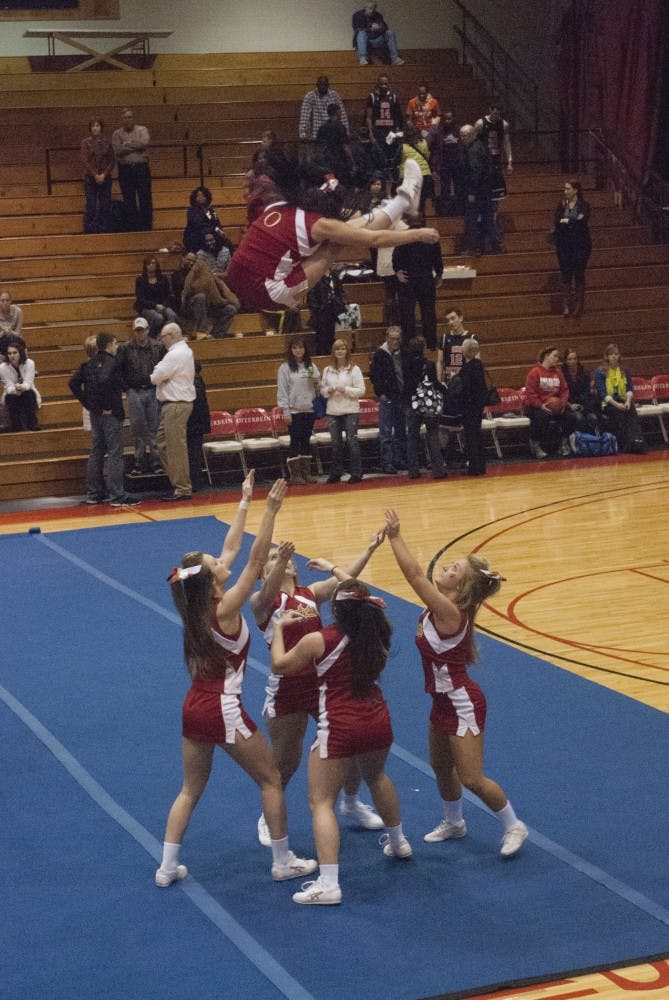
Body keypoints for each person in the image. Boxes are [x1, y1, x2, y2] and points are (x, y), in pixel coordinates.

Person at [156, 475, 318, 889]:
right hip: (223, 707)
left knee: (190, 789)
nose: (222, 559)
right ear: (213, 580)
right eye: (215, 564)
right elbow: (251, 560)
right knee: (271, 779)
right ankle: (282, 861)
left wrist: (244, 501)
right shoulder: (226, 607)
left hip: (193, 706)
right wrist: (270, 512)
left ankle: (167, 866)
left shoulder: (195, 607)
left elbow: (231, 549)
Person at [383, 508, 528, 858]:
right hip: (442, 701)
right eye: (450, 565)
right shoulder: (440, 608)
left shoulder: (449, 613)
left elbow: (417, 576)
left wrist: (396, 537)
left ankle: (513, 825)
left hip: (463, 701)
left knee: (472, 778)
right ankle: (454, 822)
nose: (445, 568)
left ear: (460, 587)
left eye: (453, 570)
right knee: (440, 767)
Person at [271, 577, 411, 905]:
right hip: (378, 718)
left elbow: (279, 665)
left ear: (335, 609)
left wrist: (278, 629)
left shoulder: (319, 640)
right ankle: (400, 841)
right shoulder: (378, 636)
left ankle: (329, 883)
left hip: (340, 724)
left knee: (320, 803)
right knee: (376, 777)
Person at [251, 534, 387, 848]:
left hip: (323, 684)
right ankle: (267, 816)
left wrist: (368, 548)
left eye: (283, 558)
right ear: (263, 575)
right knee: (286, 761)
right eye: (272, 560)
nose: (280, 561)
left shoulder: (310, 593)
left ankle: (350, 803)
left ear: (295, 569)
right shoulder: (262, 602)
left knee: (348, 747)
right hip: (286, 688)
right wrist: (278, 562)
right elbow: (269, 588)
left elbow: (347, 586)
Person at [225, 145, 436, 314]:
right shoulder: (319, 224)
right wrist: (416, 234)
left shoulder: (269, 205)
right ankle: (403, 202)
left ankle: (401, 203)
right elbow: (374, 239)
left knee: (344, 231)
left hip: (234, 281)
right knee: (336, 243)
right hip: (269, 294)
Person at [69, 332, 139, 507]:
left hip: (95, 414)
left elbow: (73, 383)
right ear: (108, 345)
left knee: (96, 451)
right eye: (115, 344)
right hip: (110, 413)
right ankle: (116, 494)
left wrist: (90, 404)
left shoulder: (88, 364)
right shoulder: (112, 364)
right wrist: (105, 404)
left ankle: (94, 493)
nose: (116, 347)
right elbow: (105, 380)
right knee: (115, 453)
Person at [150, 323, 196, 501]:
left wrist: (157, 372)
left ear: (170, 336)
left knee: (175, 447)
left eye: (163, 338)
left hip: (176, 404)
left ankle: (183, 487)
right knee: (163, 443)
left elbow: (155, 377)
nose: (162, 341)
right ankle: (178, 481)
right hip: (175, 404)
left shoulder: (175, 354)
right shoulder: (184, 351)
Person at [116, 317, 163, 476]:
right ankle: (139, 462)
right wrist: (127, 388)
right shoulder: (125, 348)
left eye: (142, 330)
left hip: (152, 389)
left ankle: (157, 462)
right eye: (137, 331)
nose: (140, 333)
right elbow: (118, 370)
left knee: (154, 427)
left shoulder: (158, 346)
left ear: (148, 330)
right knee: (138, 429)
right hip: (134, 391)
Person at [392, 211, 443, 349]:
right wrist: (439, 274)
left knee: (408, 316)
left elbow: (395, 258)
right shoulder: (431, 236)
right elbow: (437, 259)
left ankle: (409, 347)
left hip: (408, 280)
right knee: (428, 315)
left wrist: (397, 272)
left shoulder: (405, 236)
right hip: (425, 279)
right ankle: (431, 346)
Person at [277, 335, 321, 485]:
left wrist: (318, 386)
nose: (298, 350)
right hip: (294, 411)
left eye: (301, 347)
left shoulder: (311, 366)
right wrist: (285, 411)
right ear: (290, 350)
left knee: (306, 440)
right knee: (295, 441)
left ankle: (306, 473)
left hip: (309, 410)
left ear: (305, 349)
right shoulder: (284, 368)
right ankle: (295, 476)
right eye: (295, 347)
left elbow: (318, 387)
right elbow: (282, 391)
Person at [320, 338, 365, 484]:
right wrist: (329, 390)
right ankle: (336, 473)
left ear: (347, 351)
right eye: (337, 349)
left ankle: (356, 473)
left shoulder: (354, 369)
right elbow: (322, 390)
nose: (340, 351)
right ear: (333, 352)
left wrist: (345, 389)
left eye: (343, 349)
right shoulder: (327, 370)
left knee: (352, 441)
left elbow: (361, 390)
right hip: (333, 411)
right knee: (335, 443)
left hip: (350, 410)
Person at [404, 335, 447, 479]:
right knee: (432, 435)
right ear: (423, 348)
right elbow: (435, 383)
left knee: (412, 437)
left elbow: (406, 385)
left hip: (412, 403)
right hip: (428, 404)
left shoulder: (406, 364)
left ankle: (413, 471)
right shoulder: (429, 364)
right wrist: (445, 389)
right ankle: (438, 470)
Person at [524, 346, 578, 458]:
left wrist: (563, 404)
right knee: (541, 417)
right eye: (555, 356)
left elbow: (564, 390)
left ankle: (563, 443)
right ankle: (536, 444)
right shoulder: (535, 372)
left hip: (556, 405)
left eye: (558, 356)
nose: (557, 359)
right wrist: (540, 405)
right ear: (546, 356)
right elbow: (530, 393)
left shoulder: (558, 373)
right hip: (537, 405)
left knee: (572, 417)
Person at [593, 343, 646, 453]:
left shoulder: (624, 370)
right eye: (611, 354)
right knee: (618, 412)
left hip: (623, 400)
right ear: (607, 356)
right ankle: (624, 443)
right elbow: (603, 393)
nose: (614, 356)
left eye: (616, 354)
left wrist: (628, 401)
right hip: (608, 403)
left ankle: (636, 440)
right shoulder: (600, 372)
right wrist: (617, 404)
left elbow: (629, 388)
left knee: (631, 409)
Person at [551, 179, 592, 317]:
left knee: (579, 274)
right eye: (565, 189)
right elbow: (557, 221)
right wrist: (571, 220)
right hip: (565, 245)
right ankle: (566, 306)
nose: (565, 191)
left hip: (580, 245)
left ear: (575, 190)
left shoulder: (584, 205)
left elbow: (582, 220)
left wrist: (567, 221)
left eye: (568, 189)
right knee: (566, 276)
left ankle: (579, 307)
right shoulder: (562, 205)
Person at [370, 325, 407, 474]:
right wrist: (381, 393)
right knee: (386, 432)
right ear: (387, 338)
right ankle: (387, 462)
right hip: (386, 397)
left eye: (397, 339)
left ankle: (400, 460)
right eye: (392, 339)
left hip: (401, 396)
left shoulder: (403, 353)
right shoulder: (380, 354)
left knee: (401, 430)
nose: (395, 342)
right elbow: (374, 376)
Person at [458, 124, 499, 255]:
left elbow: (476, 172)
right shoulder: (479, 146)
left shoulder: (473, 150)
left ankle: (476, 247)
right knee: (487, 219)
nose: (463, 139)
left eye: (465, 136)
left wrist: (472, 192)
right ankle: (494, 246)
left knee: (473, 220)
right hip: (485, 191)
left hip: (477, 192)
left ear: (472, 135)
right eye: (461, 136)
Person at [111, 107, 152, 231]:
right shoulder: (116, 133)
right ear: (121, 120)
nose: (128, 120)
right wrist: (136, 146)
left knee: (145, 197)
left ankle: (146, 227)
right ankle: (132, 227)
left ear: (133, 118)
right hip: (125, 170)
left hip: (141, 169)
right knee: (129, 199)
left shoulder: (142, 129)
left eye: (130, 117)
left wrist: (127, 144)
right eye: (125, 117)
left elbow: (144, 144)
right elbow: (118, 150)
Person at [182, 259, 239, 339]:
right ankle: (201, 330)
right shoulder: (184, 277)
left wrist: (228, 301)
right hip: (190, 309)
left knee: (231, 309)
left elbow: (218, 300)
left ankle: (215, 336)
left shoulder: (213, 280)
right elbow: (185, 297)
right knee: (200, 297)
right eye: (188, 260)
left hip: (210, 307)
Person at [458, 338, 488, 476]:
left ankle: (474, 467)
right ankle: (480, 466)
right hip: (478, 406)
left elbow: (464, 388)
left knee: (471, 436)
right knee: (477, 434)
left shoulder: (468, 368)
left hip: (469, 407)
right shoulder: (479, 365)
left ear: (466, 351)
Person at [365, 74, 405, 177]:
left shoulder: (393, 97)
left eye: (386, 83)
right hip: (378, 133)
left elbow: (398, 116)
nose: (384, 86)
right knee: (379, 159)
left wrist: (398, 133)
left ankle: (391, 184)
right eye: (382, 83)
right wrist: (371, 134)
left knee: (391, 159)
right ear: (378, 84)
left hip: (390, 133)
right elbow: (368, 117)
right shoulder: (372, 97)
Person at [80, 116, 114, 234]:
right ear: (90, 128)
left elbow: (111, 161)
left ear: (101, 128)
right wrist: (95, 174)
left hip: (105, 178)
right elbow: (85, 161)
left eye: (97, 125)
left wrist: (104, 174)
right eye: (93, 126)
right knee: (91, 205)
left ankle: (105, 230)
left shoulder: (107, 142)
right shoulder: (86, 142)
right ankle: (90, 231)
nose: (95, 128)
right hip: (90, 178)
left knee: (105, 205)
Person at [429, 110, 465, 216]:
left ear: (453, 119)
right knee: (445, 188)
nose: (447, 121)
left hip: (457, 164)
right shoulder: (439, 132)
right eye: (445, 119)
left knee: (459, 187)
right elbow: (435, 151)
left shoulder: (459, 131)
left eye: (449, 118)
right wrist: (434, 167)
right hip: (444, 165)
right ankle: (446, 211)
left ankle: (459, 210)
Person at [0, 338, 41, 431]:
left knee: (28, 394)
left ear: (20, 353)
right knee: (10, 398)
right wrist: (15, 389)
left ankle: (32, 424)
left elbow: (29, 383)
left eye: (15, 353)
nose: (12, 356)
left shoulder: (30, 363)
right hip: (12, 393)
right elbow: (8, 386)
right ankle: (16, 425)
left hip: (27, 391)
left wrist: (21, 387)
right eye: (9, 353)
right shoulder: (2, 367)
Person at [134, 255, 178, 339]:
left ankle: (164, 335)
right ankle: (152, 336)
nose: (151, 265)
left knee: (172, 315)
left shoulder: (163, 278)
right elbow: (140, 299)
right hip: (147, 307)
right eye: (149, 264)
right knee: (158, 318)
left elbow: (169, 295)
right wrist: (155, 305)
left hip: (162, 305)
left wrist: (163, 305)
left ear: (157, 265)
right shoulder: (140, 280)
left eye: (153, 263)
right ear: (145, 266)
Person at [306, 269, 346, 356]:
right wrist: (318, 309)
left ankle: (331, 355)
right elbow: (311, 297)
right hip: (320, 314)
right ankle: (322, 355)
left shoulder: (334, 275)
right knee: (322, 339)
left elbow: (339, 292)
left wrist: (340, 305)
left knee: (332, 337)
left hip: (334, 312)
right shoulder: (315, 276)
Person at [299, 76, 349, 142]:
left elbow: (343, 115)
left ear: (328, 85)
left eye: (325, 85)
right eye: (320, 84)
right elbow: (304, 117)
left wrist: (346, 133)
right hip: (316, 136)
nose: (322, 87)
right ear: (316, 85)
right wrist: (303, 135)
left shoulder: (334, 95)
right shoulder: (310, 96)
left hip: (334, 135)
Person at [561, 347, 599, 434]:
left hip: (583, 404)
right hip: (568, 405)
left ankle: (591, 441)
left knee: (593, 418)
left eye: (575, 358)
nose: (573, 361)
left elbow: (587, 392)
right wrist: (570, 405)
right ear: (566, 361)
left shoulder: (585, 373)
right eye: (570, 359)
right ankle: (576, 442)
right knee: (578, 418)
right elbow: (561, 394)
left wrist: (582, 406)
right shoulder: (561, 374)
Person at [187, 361, 211, 491]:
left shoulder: (193, 381)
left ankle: (194, 482)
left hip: (193, 422)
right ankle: (196, 480)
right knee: (195, 453)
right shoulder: (198, 379)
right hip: (199, 421)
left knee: (193, 453)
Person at [314, 104, 353, 185]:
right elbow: (345, 146)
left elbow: (318, 146)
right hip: (339, 160)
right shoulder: (340, 127)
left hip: (326, 160)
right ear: (337, 112)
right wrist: (351, 159)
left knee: (331, 183)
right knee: (341, 184)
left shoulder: (322, 127)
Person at [182, 186, 225, 254]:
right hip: (197, 235)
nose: (200, 198)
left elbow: (216, 223)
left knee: (227, 244)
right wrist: (209, 232)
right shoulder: (192, 210)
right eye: (198, 196)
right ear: (195, 198)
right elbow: (197, 224)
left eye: (203, 196)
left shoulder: (210, 210)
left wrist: (219, 230)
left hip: (211, 235)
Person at [436, 306, 471, 382]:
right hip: (450, 381)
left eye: (453, 318)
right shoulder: (444, 338)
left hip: (466, 381)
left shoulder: (471, 338)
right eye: (448, 320)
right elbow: (440, 362)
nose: (451, 322)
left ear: (461, 318)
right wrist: (438, 381)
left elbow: (476, 362)